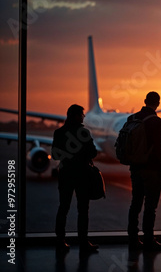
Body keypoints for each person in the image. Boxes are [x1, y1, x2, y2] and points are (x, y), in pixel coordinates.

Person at [52, 104, 98, 253]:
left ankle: (60, 241)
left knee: (63, 208)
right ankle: (83, 243)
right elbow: (93, 153)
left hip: (65, 175)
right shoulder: (83, 132)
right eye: (82, 115)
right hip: (82, 176)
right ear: (76, 116)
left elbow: (55, 155)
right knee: (83, 210)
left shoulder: (58, 132)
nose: (83, 118)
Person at [127, 91, 161, 251]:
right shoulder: (156, 122)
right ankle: (149, 240)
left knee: (135, 204)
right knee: (150, 206)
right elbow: (160, 149)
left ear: (144, 101)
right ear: (158, 103)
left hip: (135, 167)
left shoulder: (131, 119)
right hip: (152, 169)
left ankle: (133, 238)